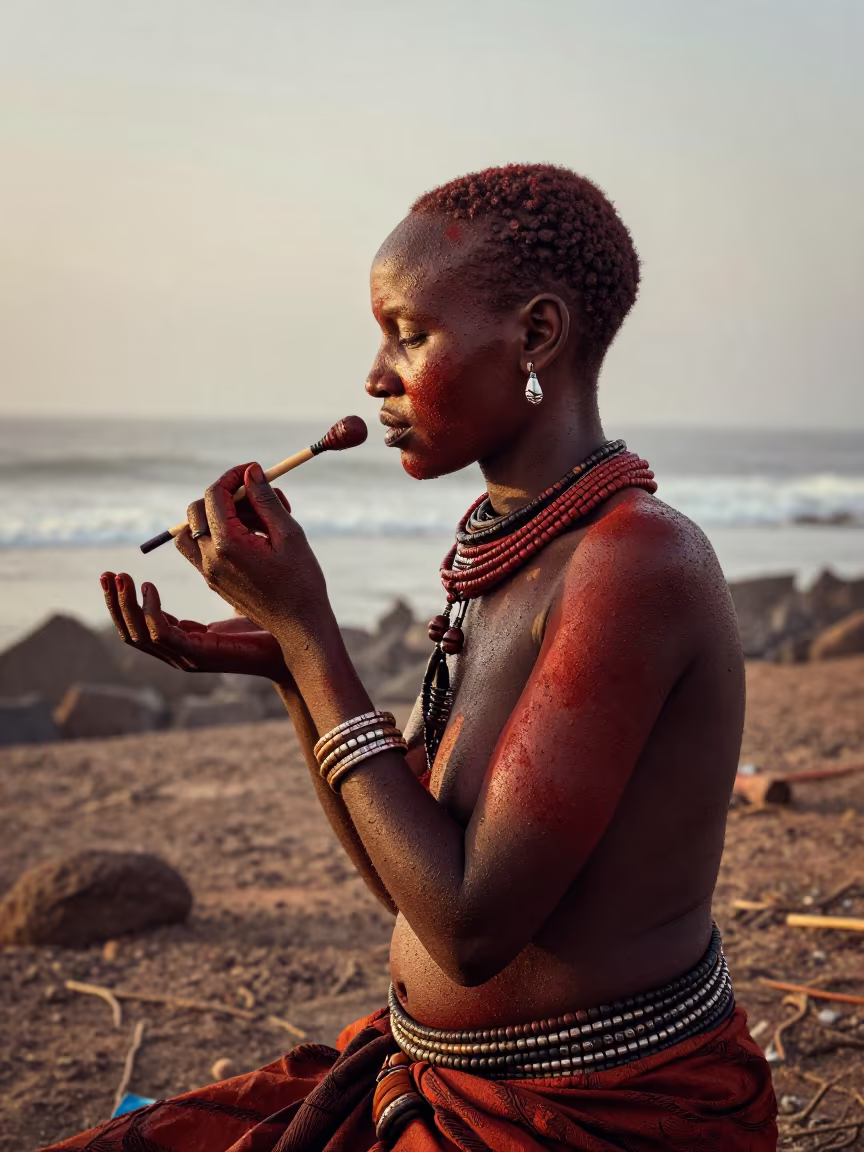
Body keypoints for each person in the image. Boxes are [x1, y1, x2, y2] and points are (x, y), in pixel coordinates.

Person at [44, 164, 777, 1151]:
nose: (375, 376)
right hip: (443, 1081)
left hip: (594, 1118)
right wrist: (290, 668)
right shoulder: (506, 543)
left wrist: (312, 633)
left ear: (536, 336)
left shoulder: (634, 563)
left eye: (410, 334)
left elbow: (472, 930)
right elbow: (413, 892)